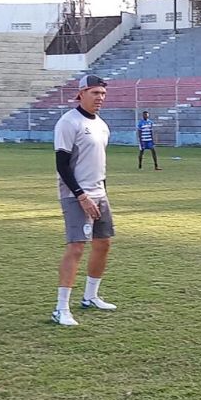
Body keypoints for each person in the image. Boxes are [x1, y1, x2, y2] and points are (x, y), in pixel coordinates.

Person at [51, 74, 118, 326]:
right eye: (94, 93)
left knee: (103, 244)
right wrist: (81, 195)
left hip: (99, 193)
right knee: (76, 246)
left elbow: (98, 164)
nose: (100, 98)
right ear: (81, 93)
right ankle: (61, 309)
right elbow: (62, 163)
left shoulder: (102, 125)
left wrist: (101, 193)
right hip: (75, 195)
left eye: (102, 93)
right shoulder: (69, 122)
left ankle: (90, 297)